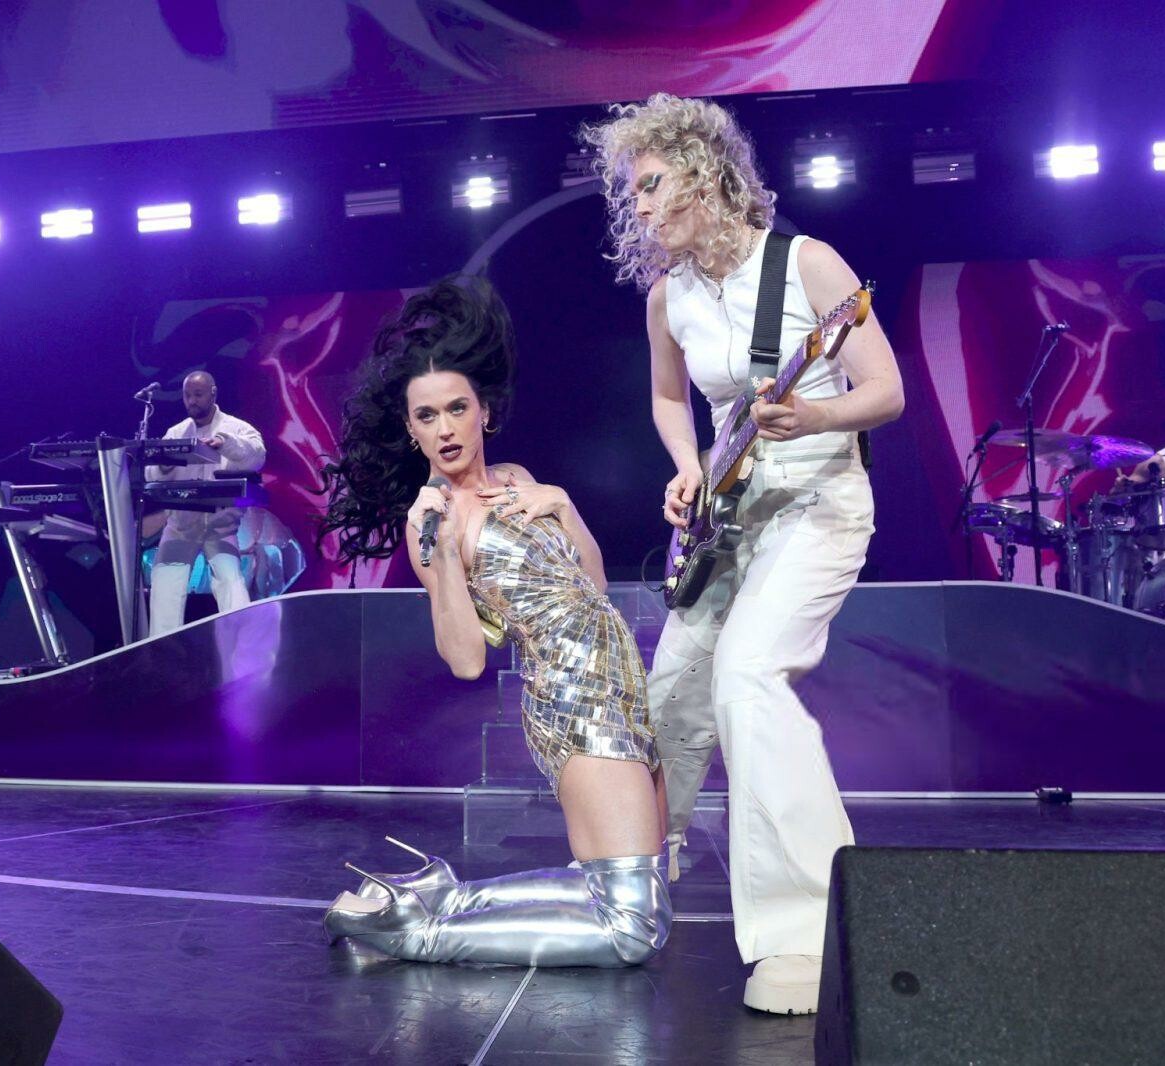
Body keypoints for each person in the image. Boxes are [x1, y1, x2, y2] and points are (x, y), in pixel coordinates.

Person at [582, 93, 906, 1013]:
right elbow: (667, 399)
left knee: (748, 678)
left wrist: (817, 413)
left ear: (704, 171)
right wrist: (688, 468)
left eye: (652, 183)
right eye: (632, 192)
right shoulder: (667, 297)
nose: (640, 206)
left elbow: (885, 391)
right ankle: (634, 882)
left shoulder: (807, 264)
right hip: (728, 517)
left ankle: (812, 930)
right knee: (671, 700)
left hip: (817, 502)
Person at [317, 277, 671, 967]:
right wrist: (446, 551)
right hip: (573, 700)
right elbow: (466, 659)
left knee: (622, 892)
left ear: (484, 411)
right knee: (634, 928)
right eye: (426, 416)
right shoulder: (429, 522)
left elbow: (594, 587)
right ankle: (414, 933)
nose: (445, 428)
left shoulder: (516, 477)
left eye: (456, 408)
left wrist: (563, 503)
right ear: (411, 430)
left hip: (620, 686)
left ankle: (436, 899)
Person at [146, 371, 267, 635]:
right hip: (180, 526)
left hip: (221, 526)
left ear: (213, 393)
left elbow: (257, 456)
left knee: (231, 583)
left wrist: (224, 443)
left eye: (198, 395)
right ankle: (163, 648)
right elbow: (152, 473)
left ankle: (244, 646)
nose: (192, 401)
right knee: (165, 585)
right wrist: (164, 465)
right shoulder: (176, 432)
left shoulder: (236, 428)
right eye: (187, 395)